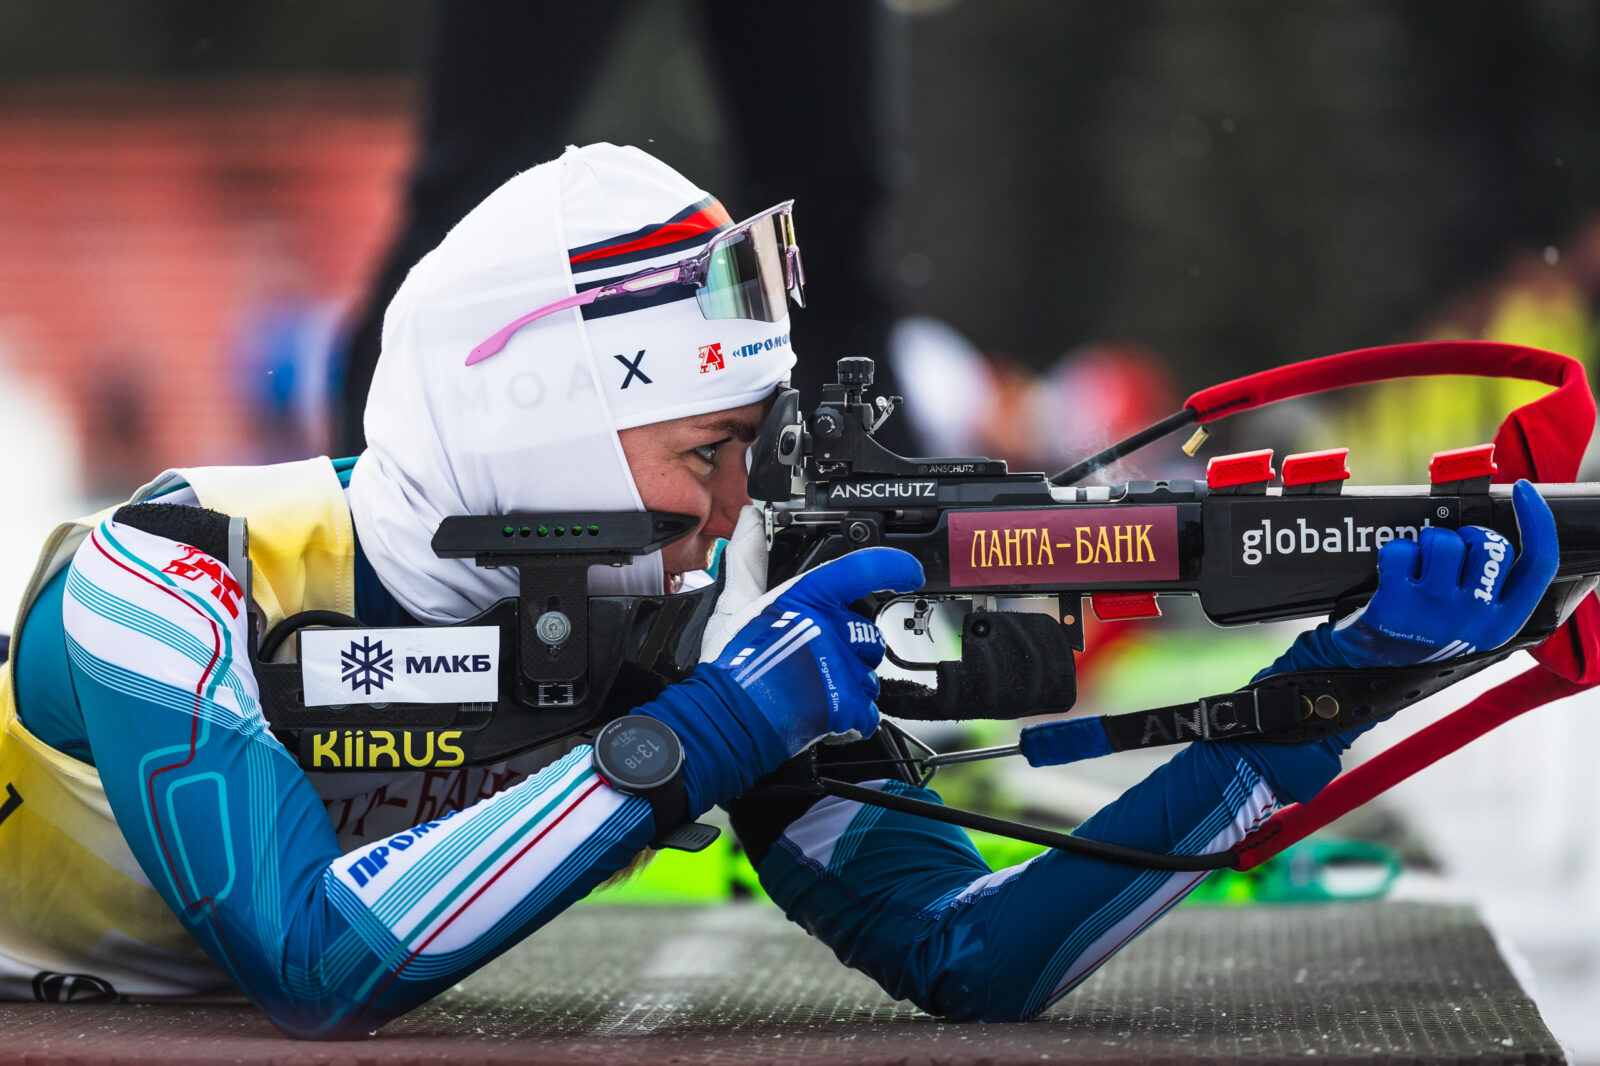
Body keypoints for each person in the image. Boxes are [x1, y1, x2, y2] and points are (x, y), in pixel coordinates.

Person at [0, 144, 1558, 1036]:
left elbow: (973, 951)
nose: (743, 505)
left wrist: (1331, 692)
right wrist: (703, 732)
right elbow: (313, 961)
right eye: (709, 452)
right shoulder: (168, 572)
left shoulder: (686, 617)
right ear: (544, 429)